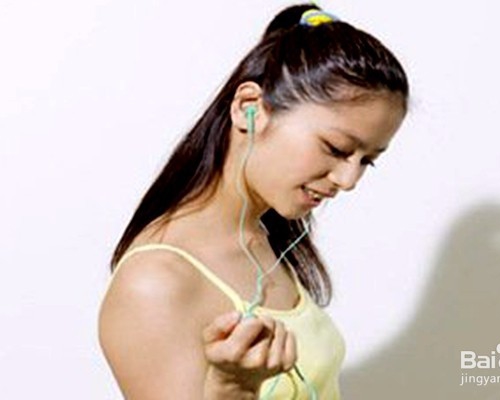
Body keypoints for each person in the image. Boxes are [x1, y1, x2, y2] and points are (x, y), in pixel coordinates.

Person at [98, 3, 409, 399]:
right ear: (249, 109)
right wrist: (233, 387)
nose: (348, 181)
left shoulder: (265, 240)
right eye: (335, 148)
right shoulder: (155, 283)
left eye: (367, 161)